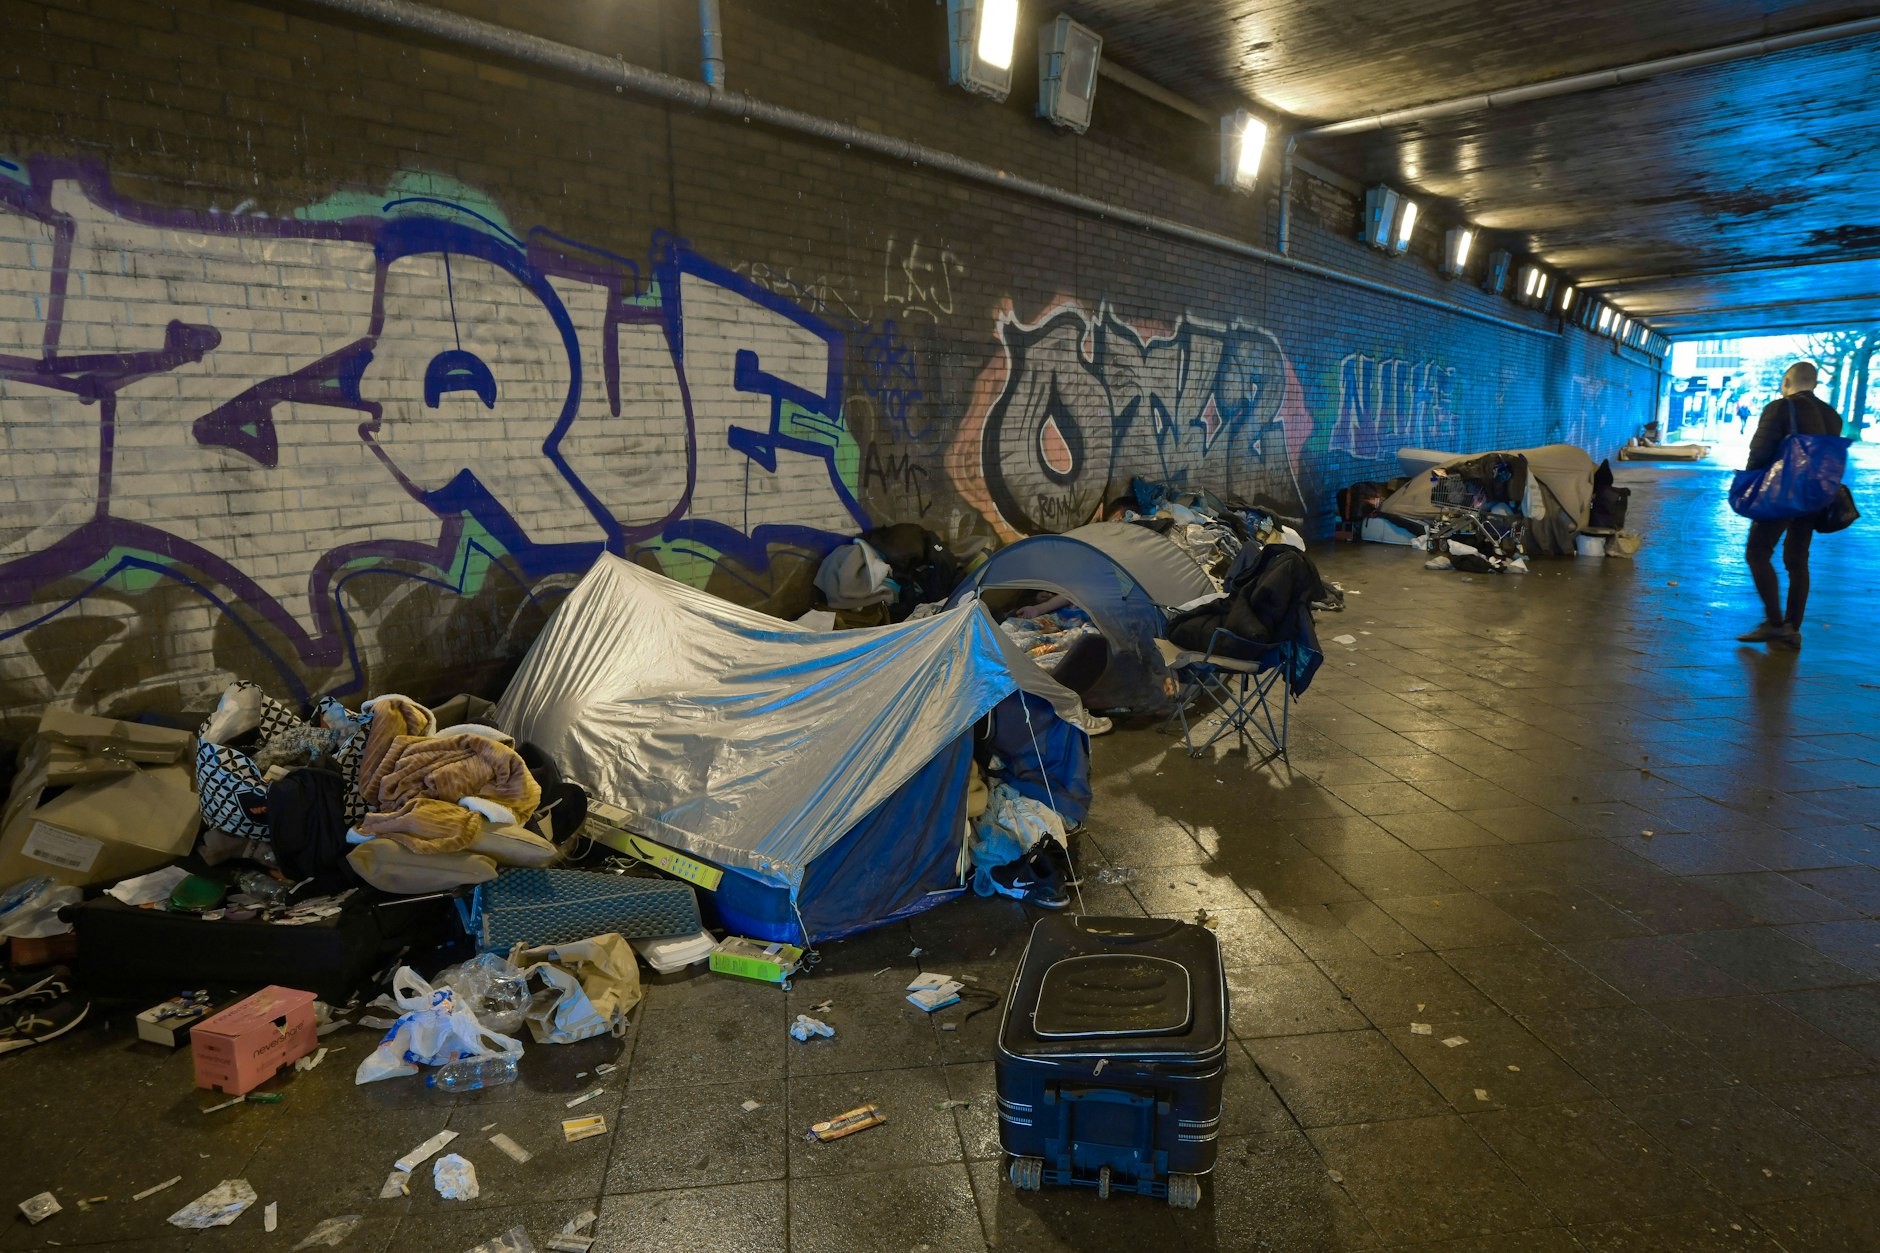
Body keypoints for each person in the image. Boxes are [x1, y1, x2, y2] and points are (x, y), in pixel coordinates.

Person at [1737, 361, 1842, 649]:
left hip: (1782, 495)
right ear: (1816, 385)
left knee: (1758, 553)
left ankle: (1773, 623)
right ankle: (1792, 628)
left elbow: (1759, 452)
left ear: (1786, 381)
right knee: (1798, 561)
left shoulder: (1780, 408)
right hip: (1815, 496)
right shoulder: (1832, 415)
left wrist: (1750, 487)